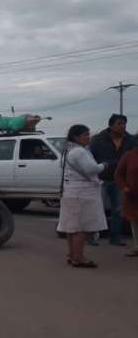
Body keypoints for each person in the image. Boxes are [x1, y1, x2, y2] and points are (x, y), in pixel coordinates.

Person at [57, 125, 107, 268]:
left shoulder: (68, 151)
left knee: (71, 227)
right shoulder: (79, 152)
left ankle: (72, 255)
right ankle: (79, 258)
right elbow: (91, 169)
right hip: (82, 193)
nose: (88, 137)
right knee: (81, 227)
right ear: (76, 137)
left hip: (70, 191)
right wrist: (104, 165)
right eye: (85, 134)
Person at [89, 114, 136, 246]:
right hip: (101, 179)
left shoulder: (130, 140)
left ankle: (115, 238)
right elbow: (91, 158)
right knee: (97, 209)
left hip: (120, 180)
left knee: (118, 210)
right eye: (119, 123)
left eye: (124, 123)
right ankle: (92, 237)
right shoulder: (98, 139)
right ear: (111, 125)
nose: (123, 126)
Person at [115, 144, 138, 257]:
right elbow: (119, 173)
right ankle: (137, 247)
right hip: (133, 196)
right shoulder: (129, 155)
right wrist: (124, 187)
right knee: (135, 222)